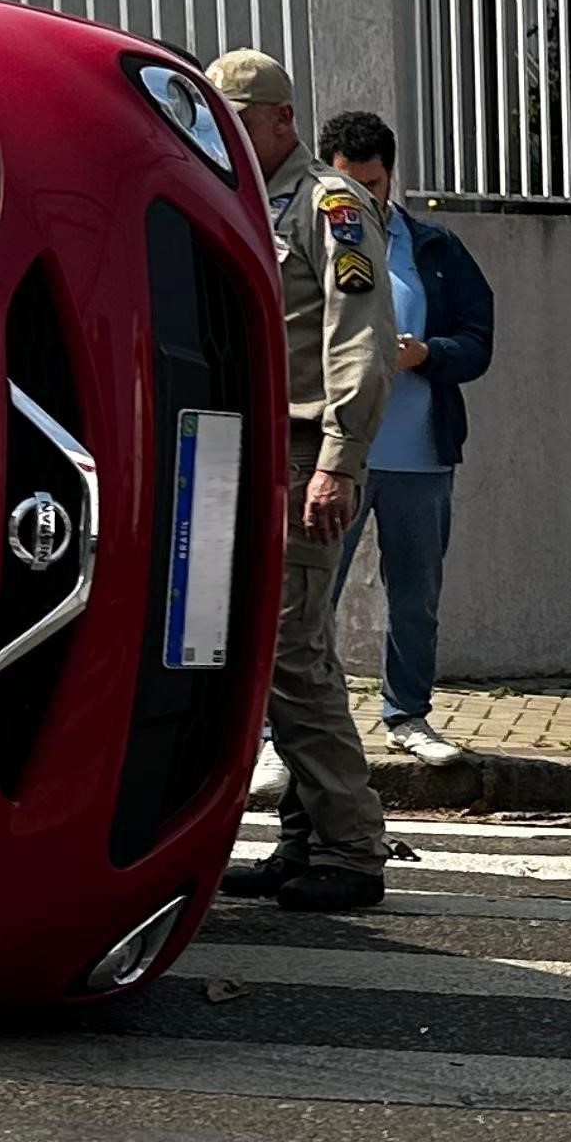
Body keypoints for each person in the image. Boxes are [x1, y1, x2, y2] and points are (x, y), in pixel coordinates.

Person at [207, 48, 394, 912]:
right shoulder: (238, 193)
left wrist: (336, 463)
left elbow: (358, 343)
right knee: (269, 651)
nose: (226, 135)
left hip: (301, 455)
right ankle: (304, 838)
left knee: (294, 654)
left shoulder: (332, 205)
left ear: (282, 118)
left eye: (238, 119)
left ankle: (353, 847)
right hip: (243, 456)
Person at [314, 112, 494, 764]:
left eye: (374, 183)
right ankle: (289, 734)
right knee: (309, 599)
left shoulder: (434, 249)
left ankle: (407, 717)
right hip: (333, 457)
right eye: (347, 185)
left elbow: (479, 341)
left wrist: (427, 354)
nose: (362, 199)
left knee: (415, 596)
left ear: (392, 177)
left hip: (419, 455)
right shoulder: (310, 240)